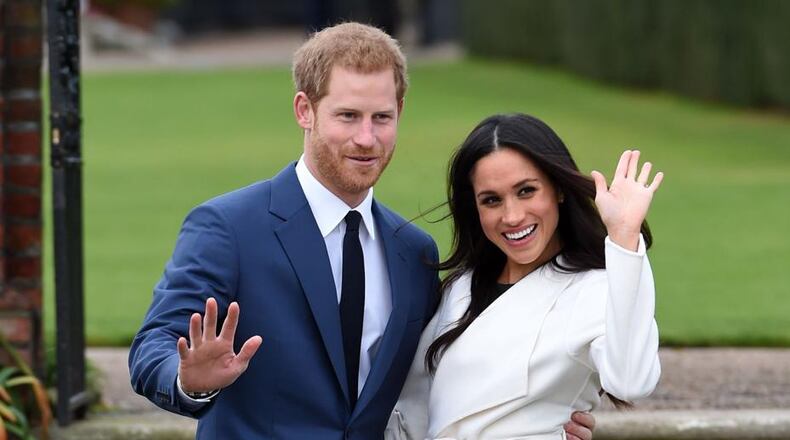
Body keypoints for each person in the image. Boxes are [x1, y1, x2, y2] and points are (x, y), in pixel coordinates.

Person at [128, 24, 597, 439]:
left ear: (400, 111)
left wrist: (539, 418)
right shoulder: (228, 226)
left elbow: (441, 376)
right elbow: (153, 346)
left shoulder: (413, 251)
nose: (367, 139)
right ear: (304, 111)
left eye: (382, 118)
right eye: (348, 116)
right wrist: (190, 381)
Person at [387, 114, 663, 439]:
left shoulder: (595, 288)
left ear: (558, 189)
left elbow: (631, 382)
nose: (513, 216)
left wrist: (624, 239)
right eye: (491, 200)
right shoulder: (460, 287)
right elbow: (413, 407)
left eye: (527, 191)